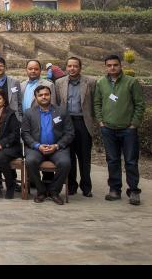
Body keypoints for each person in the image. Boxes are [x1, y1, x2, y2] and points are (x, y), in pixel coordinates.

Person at [94, 54, 145, 206]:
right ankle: (115, 189)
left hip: (128, 130)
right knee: (112, 160)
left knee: (130, 161)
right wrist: (101, 122)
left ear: (120, 65)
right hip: (108, 129)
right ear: (105, 67)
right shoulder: (101, 83)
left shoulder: (131, 82)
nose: (112, 68)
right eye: (109, 65)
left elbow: (139, 104)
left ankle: (134, 190)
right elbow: (97, 103)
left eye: (115, 65)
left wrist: (134, 124)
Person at [21, 85, 74, 204]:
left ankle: (54, 191)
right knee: (30, 161)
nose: (44, 97)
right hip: (36, 148)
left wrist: (56, 146)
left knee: (65, 163)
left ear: (51, 95)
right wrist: (37, 145)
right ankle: (41, 191)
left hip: (57, 148)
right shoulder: (29, 113)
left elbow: (69, 133)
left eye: (46, 94)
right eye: (40, 95)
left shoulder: (61, 111)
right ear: (35, 97)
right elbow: (25, 133)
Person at [54, 56, 96, 197]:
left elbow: (95, 104)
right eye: (70, 66)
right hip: (66, 123)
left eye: (75, 66)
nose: (72, 68)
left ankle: (86, 186)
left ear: (80, 67)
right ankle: (71, 185)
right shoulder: (59, 83)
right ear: (66, 67)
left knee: (84, 157)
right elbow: (57, 104)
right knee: (69, 155)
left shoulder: (90, 82)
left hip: (83, 122)